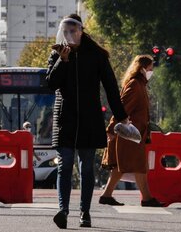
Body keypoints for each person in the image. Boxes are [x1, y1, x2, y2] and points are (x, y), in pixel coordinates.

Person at [46, 14, 128, 229]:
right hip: (64, 117)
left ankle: (85, 212)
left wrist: (121, 115)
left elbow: (111, 87)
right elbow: (50, 84)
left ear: (81, 31)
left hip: (89, 117)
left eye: (73, 30)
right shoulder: (57, 54)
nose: (70, 35)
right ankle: (63, 211)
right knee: (64, 165)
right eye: (66, 31)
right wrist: (62, 61)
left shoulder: (96, 55)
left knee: (86, 167)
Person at [100, 55, 164, 207]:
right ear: (142, 69)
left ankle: (107, 195)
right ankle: (147, 198)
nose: (151, 71)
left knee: (123, 166)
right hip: (130, 133)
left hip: (134, 133)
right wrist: (111, 128)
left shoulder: (140, 84)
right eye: (150, 68)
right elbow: (122, 108)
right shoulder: (135, 84)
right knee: (137, 165)